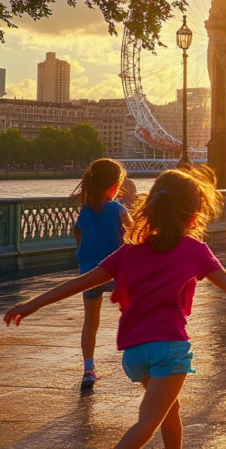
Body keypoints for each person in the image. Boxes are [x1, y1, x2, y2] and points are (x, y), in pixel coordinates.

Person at [5, 167, 226, 449]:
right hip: (168, 347)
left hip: (135, 353)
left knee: (170, 411)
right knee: (148, 422)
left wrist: (31, 304)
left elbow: (80, 282)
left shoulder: (129, 252)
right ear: (194, 216)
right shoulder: (194, 249)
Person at [69, 158, 132, 389]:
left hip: (89, 275)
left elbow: (79, 239)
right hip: (115, 274)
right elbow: (134, 237)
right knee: (133, 309)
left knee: (90, 322)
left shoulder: (84, 211)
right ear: (115, 186)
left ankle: (88, 369)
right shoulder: (117, 208)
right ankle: (138, 354)